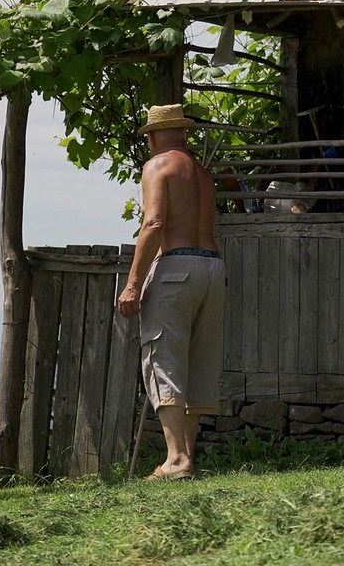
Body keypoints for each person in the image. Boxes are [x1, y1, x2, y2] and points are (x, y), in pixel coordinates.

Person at [117, 103, 225, 481]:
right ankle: (185, 458)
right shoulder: (203, 173)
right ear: (182, 132)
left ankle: (176, 458)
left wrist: (133, 283)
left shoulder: (157, 166)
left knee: (162, 357)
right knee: (197, 361)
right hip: (212, 267)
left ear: (152, 136)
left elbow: (155, 221)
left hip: (176, 265)